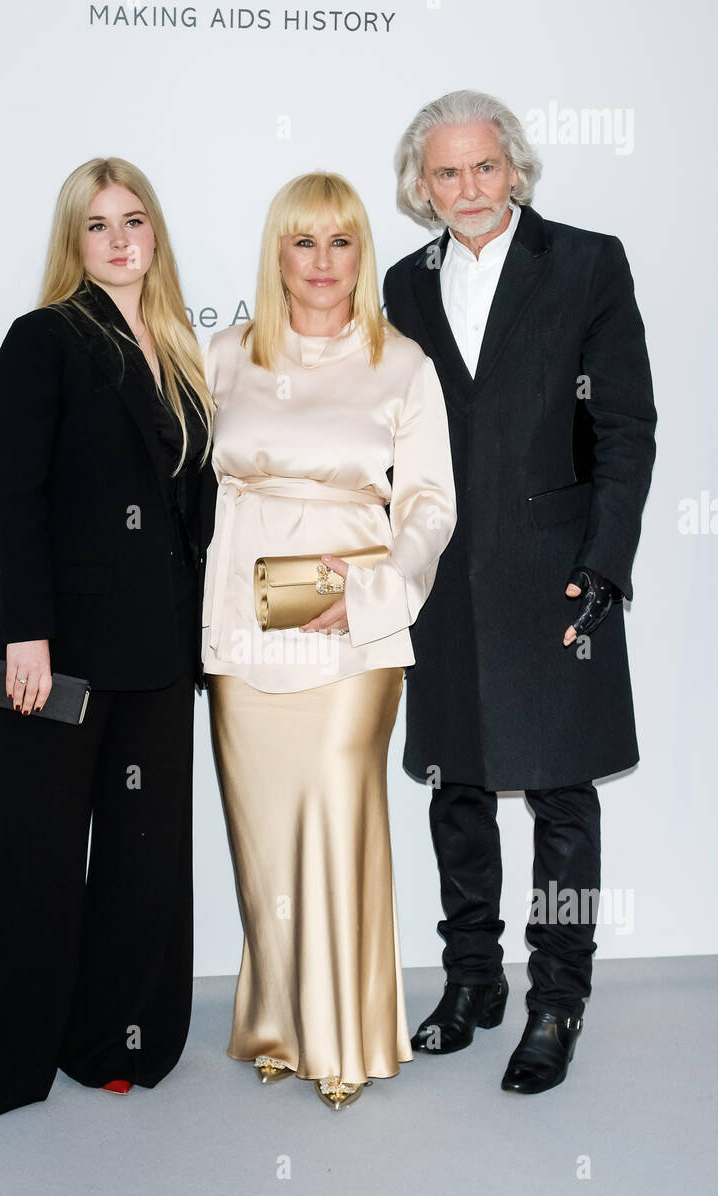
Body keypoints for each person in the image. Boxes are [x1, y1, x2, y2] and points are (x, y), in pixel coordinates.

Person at [0, 157, 216, 1119]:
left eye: (134, 220)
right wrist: (24, 638)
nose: (121, 239)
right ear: (73, 244)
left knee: (144, 848)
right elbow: (17, 501)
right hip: (65, 646)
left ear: (156, 233)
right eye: (97, 226)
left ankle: (114, 1039)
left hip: (163, 647)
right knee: (24, 850)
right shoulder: (42, 340)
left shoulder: (180, 353)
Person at [383, 90, 656, 1093]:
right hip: (440, 581)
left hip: (556, 578)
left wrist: (604, 560)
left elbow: (623, 425)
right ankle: (470, 983)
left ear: (516, 169)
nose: (467, 189)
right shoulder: (402, 287)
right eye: (445, 173)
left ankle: (556, 999)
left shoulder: (586, 262)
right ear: (422, 184)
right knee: (455, 790)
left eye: (483, 168)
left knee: (559, 796)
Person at [201, 171, 456, 1109]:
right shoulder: (224, 353)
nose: (321, 262)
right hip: (243, 622)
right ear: (277, 253)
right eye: (302, 242)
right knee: (264, 831)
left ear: (363, 251)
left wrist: (381, 592)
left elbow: (430, 504)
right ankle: (279, 1020)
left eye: (340, 241)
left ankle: (346, 1036)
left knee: (337, 815)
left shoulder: (403, 364)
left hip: (354, 627)